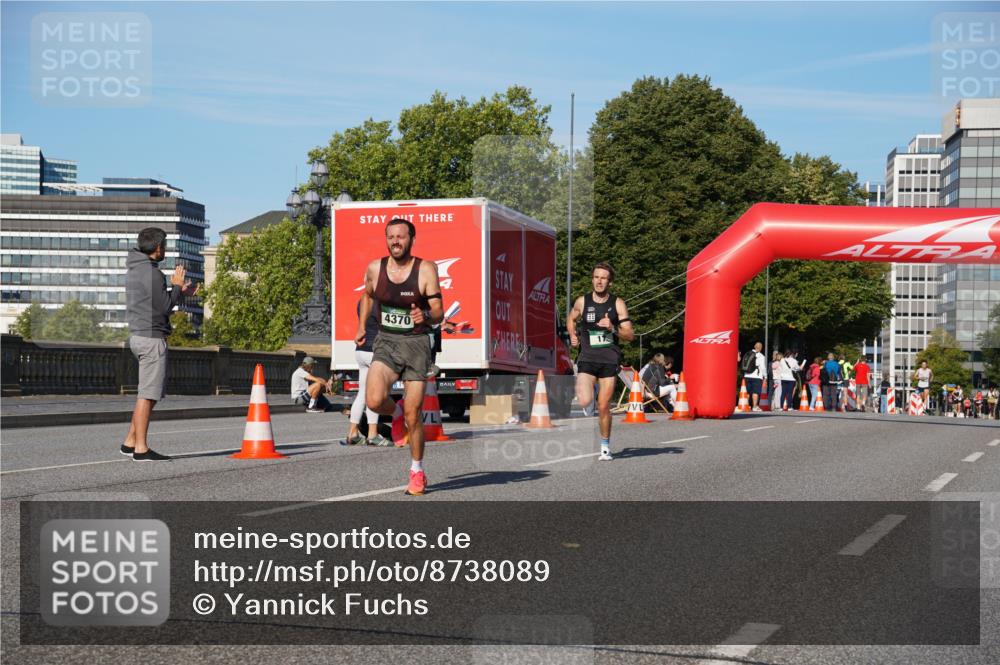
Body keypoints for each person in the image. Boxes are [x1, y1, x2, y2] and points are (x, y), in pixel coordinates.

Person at [358, 218, 444, 496]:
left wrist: (427, 315)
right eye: (391, 236)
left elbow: (439, 310)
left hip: (417, 345)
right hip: (386, 342)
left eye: (401, 236)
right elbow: (368, 296)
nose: (395, 241)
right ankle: (394, 414)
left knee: (414, 415)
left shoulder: (425, 269)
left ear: (412, 239)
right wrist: (361, 325)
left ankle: (417, 470)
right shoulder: (375, 268)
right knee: (373, 400)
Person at [120, 227, 197, 461]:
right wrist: (176, 286)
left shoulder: (136, 268)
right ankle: (141, 449)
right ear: (157, 248)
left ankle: (130, 441)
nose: (164, 250)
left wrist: (179, 292)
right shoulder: (152, 273)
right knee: (148, 395)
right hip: (151, 338)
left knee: (146, 392)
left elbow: (156, 302)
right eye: (163, 246)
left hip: (139, 335)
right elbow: (164, 307)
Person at [568, 262, 635, 461]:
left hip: (608, 359)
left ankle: (605, 446)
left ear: (610, 282)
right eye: (596, 277)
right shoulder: (582, 301)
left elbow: (630, 335)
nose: (599, 281)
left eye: (603, 278)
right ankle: (590, 395)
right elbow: (571, 318)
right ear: (592, 279)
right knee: (585, 400)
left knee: (604, 406)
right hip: (587, 357)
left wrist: (613, 327)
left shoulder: (617, 304)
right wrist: (573, 336)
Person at [345, 298, 391, 445]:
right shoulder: (381, 302)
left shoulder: (361, 301)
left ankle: (352, 433)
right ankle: (372, 434)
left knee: (362, 394)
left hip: (361, 350)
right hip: (375, 351)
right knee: (374, 395)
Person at [741, 342, 768, 412]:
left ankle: (745, 405)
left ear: (754, 346)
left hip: (747, 375)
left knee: (747, 392)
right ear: (761, 348)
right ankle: (755, 406)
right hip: (757, 376)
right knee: (755, 392)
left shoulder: (748, 354)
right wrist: (765, 376)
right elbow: (762, 367)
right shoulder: (761, 356)